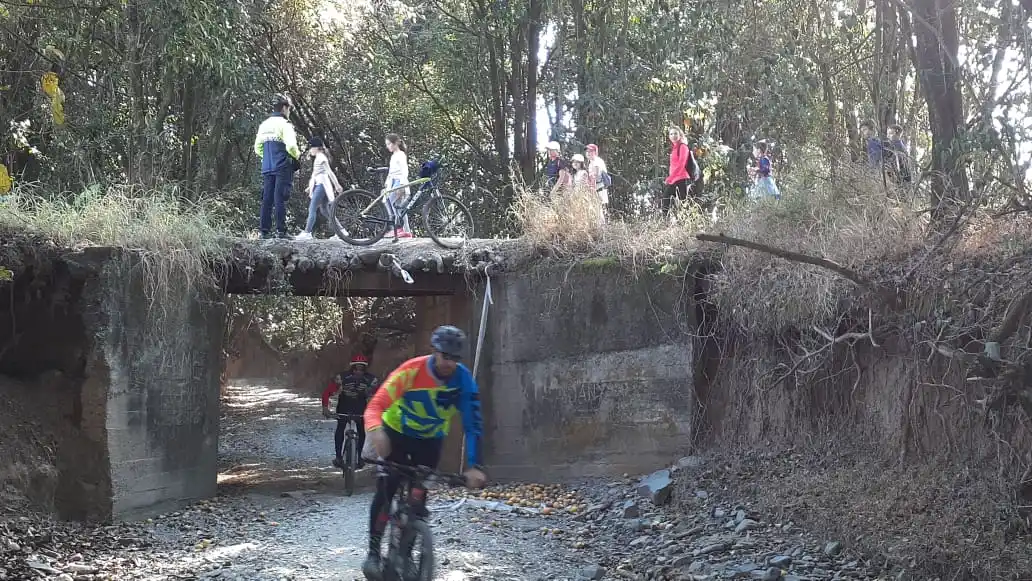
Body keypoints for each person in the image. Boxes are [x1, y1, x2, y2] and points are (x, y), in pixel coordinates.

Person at [361, 325, 487, 578]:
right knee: (387, 491)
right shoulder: (411, 371)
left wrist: (475, 466)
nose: (449, 363)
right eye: (445, 356)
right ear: (435, 352)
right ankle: (374, 552)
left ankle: (407, 554)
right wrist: (376, 432)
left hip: (430, 441)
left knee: (419, 497)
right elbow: (376, 405)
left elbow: (473, 426)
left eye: (455, 358)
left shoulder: (464, 382)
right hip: (396, 434)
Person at [254, 94, 301, 239]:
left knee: (267, 198)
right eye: (289, 109)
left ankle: (264, 232)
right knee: (279, 197)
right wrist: (296, 156)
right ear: (284, 108)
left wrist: (267, 157)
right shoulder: (285, 125)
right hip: (282, 165)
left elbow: (257, 148)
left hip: (267, 166)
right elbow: (291, 146)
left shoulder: (264, 124)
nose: (289, 112)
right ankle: (281, 231)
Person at [322, 354, 380, 469]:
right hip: (344, 405)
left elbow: (381, 395)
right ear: (352, 367)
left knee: (362, 430)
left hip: (361, 407)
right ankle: (338, 457)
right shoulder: (342, 377)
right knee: (341, 427)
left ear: (365, 368)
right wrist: (325, 408)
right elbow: (327, 392)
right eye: (356, 367)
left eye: (361, 368)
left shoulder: (371, 379)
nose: (358, 370)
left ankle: (360, 458)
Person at [296, 137, 343, 240]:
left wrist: (337, 185)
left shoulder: (321, 157)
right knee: (325, 210)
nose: (310, 150)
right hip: (320, 184)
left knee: (312, 208)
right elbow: (317, 174)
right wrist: (310, 187)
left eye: (311, 147)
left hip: (322, 185)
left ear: (317, 148)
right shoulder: (319, 157)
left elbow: (329, 172)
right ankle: (341, 231)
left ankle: (307, 232)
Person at [662, 127, 701, 215]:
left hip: (681, 178)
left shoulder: (683, 147)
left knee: (682, 202)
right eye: (671, 134)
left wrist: (670, 178)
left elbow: (681, 164)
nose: (673, 136)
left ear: (680, 135)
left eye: (675, 133)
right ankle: (665, 221)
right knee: (667, 199)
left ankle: (683, 223)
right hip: (675, 178)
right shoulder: (674, 148)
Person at [384, 133, 412, 239]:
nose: (388, 146)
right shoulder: (393, 156)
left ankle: (401, 229)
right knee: (393, 204)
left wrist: (401, 185)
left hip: (399, 181)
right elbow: (391, 173)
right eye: (387, 144)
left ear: (395, 143)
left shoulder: (400, 155)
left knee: (395, 204)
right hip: (392, 181)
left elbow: (404, 171)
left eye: (389, 144)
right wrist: (386, 186)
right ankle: (403, 230)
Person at [585, 144, 610, 221]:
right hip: (598, 187)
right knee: (597, 210)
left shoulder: (596, 161)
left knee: (599, 210)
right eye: (587, 151)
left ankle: (602, 230)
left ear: (595, 152)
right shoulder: (591, 162)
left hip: (599, 187)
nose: (588, 153)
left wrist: (592, 188)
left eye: (590, 151)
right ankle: (601, 229)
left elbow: (595, 176)